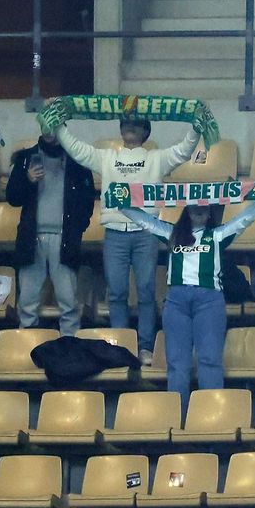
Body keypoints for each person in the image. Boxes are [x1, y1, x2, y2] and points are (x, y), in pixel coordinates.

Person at [54, 111, 200, 365]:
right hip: (115, 234)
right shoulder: (107, 157)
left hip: (146, 234)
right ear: (121, 130)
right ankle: (122, 346)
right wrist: (57, 124)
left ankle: (144, 347)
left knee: (145, 291)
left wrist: (197, 127)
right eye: (126, 124)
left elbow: (184, 150)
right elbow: (77, 149)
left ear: (146, 132)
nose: (130, 128)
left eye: (136, 125)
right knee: (117, 293)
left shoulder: (156, 159)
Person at [119, 187, 255, 406]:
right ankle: (177, 418)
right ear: (187, 211)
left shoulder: (219, 234)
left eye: (203, 207)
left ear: (210, 212)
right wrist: (122, 203)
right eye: (195, 207)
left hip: (209, 302)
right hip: (176, 302)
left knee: (210, 360)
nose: (199, 211)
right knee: (177, 364)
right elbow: (144, 221)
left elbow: (244, 220)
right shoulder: (171, 233)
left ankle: (210, 415)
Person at [5, 132, 96, 335]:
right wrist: (27, 179)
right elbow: (12, 197)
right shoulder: (26, 157)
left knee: (68, 300)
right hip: (31, 237)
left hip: (65, 238)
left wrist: (77, 229)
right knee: (27, 300)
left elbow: (87, 200)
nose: (50, 130)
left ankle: (69, 343)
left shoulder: (77, 159)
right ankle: (25, 345)